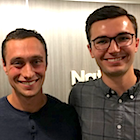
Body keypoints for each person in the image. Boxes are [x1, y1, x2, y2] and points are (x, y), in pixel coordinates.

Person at [69, 5, 140, 140]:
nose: (114, 49)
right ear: (91, 50)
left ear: (136, 44)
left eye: (123, 38)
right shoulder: (79, 95)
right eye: (102, 41)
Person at [1, 28, 81, 140]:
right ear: (4, 65)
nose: (28, 73)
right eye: (18, 63)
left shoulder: (68, 116)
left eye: (36, 62)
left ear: (46, 64)